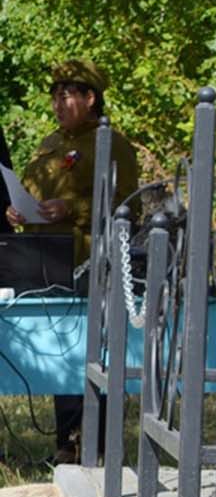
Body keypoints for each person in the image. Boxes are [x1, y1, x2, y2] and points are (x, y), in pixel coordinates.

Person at [7, 59, 141, 462]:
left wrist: (73, 209)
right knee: (54, 347)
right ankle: (66, 443)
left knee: (84, 349)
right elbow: (33, 189)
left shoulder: (110, 143)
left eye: (66, 95)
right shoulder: (50, 142)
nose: (58, 103)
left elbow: (126, 205)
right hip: (40, 258)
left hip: (86, 260)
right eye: (55, 96)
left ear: (90, 98)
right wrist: (17, 209)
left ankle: (90, 443)